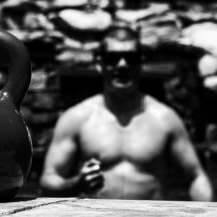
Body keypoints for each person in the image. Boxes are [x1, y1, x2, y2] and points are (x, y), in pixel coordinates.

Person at [40, 25, 213, 201]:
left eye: (131, 58)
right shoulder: (76, 118)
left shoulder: (165, 118)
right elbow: (48, 181)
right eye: (112, 58)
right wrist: (76, 184)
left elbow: (196, 176)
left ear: (141, 62)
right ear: (100, 63)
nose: (122, 65)